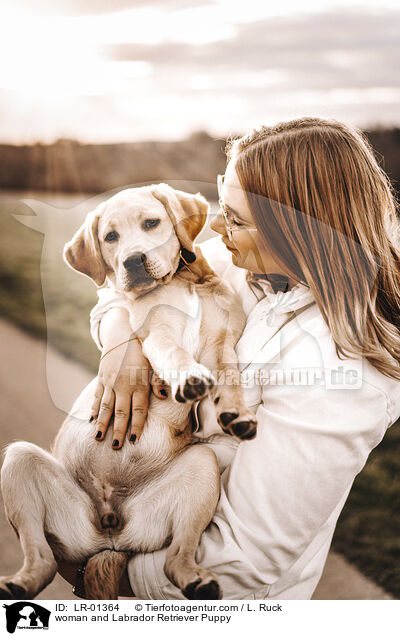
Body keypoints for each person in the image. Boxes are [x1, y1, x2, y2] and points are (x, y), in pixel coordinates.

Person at [59, 117, 400, 600]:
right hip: (134, 508)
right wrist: (122, 346)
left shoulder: (346, 369)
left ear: (297, 230)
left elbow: (246, 558)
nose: (216, 227)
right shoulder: (236, 259)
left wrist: (108, 579)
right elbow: (120, 289)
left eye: (236, 218)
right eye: (224, 199)